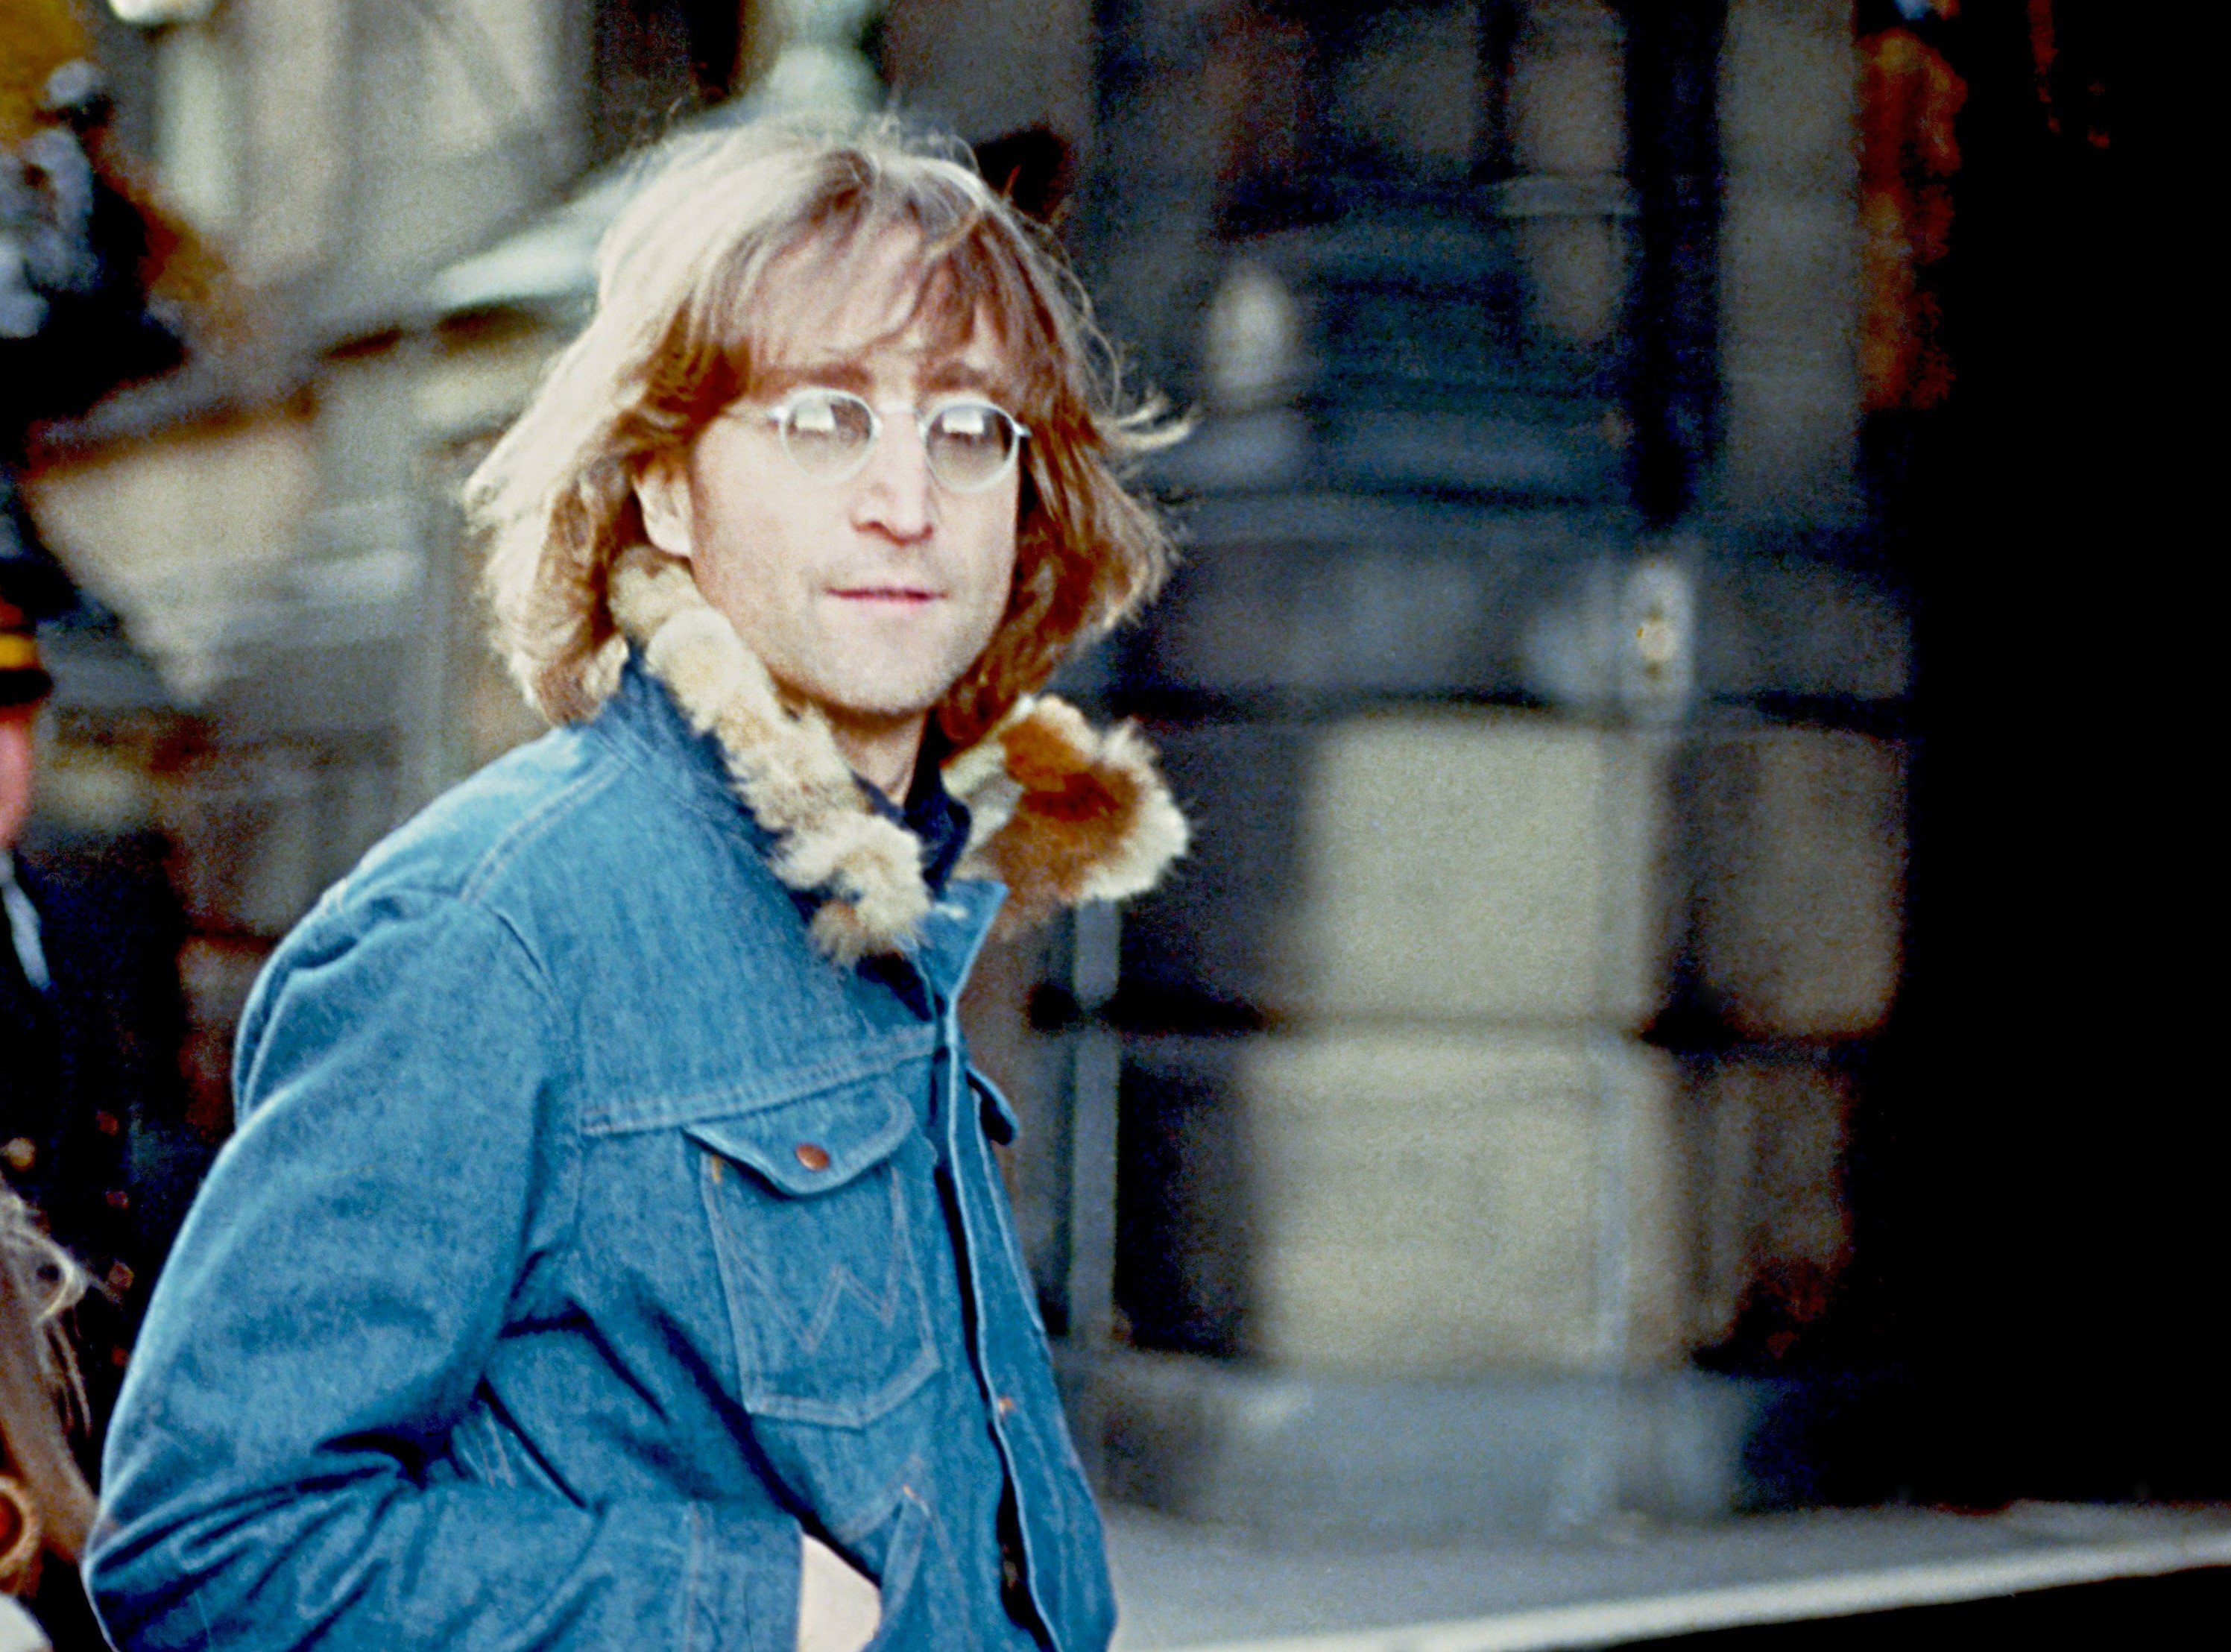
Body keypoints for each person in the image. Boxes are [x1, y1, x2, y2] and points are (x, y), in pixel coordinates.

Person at [86, 118, 1187, 1651]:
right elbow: (211, 1550)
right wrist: (739, 1607)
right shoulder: (488, 939)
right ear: (664, 488)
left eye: (968, 428)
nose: (907, 498)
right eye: (822, 419)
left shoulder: (913, 894)